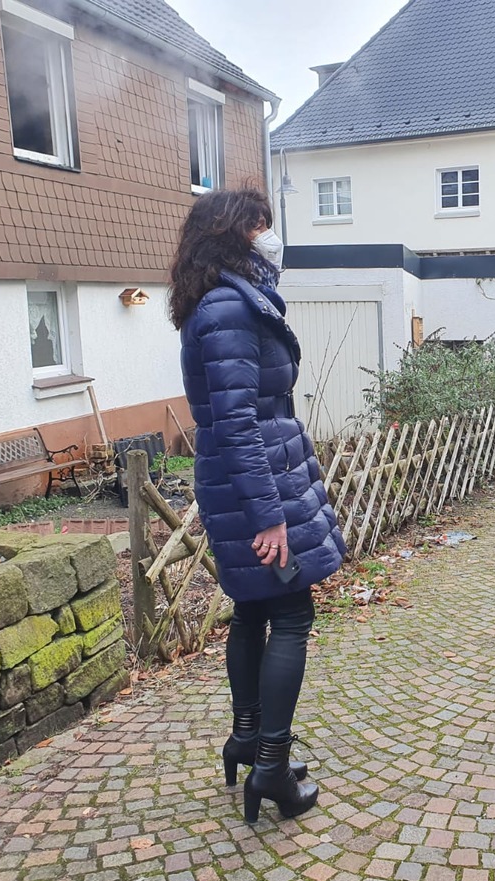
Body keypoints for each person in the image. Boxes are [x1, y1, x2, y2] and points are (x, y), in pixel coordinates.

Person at [169, 187, 346, 824]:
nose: (269, 235)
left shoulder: (222, 300)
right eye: (259, 225)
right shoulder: (228, 307)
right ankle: (270, 767)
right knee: (292, 615)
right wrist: (271, 514)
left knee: (250, 611)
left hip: (245, 479)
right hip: (255, 485)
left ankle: (247, 738)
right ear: (230, 234)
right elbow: (239, 420)